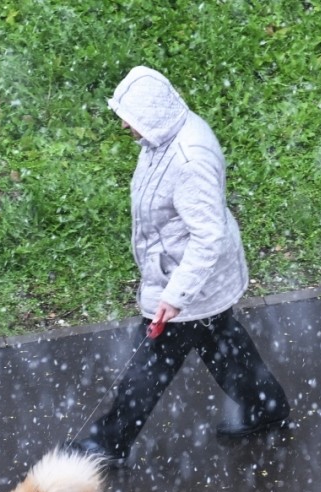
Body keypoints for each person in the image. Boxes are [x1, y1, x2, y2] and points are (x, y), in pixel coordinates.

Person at [71, 66, 290, 463]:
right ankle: (266, 408)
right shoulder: (164, 138)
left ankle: (108, 443)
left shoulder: (189, 158)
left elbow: (208, 236)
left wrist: (175, 297)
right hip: (192, 280)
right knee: (223, 345)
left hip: (189, 283)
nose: (123, 124)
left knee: (151, 365)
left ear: (153, 114)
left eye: (130, 116)